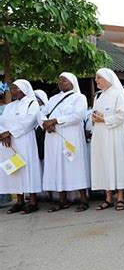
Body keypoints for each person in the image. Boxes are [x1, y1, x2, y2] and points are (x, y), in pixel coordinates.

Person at [39, 72, 90, 212]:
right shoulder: (53, 98)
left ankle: (83, 199)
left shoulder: (79, 97)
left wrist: (55, 121)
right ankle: (62, 200)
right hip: (53, 137)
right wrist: (45, 123)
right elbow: (42, 112)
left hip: (71, 136)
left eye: (64, 80)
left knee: (75, 164)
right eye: (60, 80)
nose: (61, 82)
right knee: (57, 166)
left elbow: (78, 115)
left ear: (72, 83)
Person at [91, 68, 124, 211]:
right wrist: (95, 118)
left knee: (117, 162)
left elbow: (123, 116)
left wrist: (104, 119)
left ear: (108, 79)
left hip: (115, 134)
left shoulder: (118, 94)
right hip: (100, 135)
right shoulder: (98, 96)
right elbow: (95, 114)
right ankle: (108, 198)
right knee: (103, 163)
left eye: (99, 77)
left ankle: (120, 197)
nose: (96, 80)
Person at [0, 80, 42, 214]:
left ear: (23, 89)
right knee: (15, 170)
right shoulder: (9, 106)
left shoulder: (32, 103)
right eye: (11, 89)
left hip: (25, 141)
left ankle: (33, 201)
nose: (12, 91)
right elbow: (2, 121)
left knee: (27, 169)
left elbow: (29, 121)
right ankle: (19, 201)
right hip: (9, 143)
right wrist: (3, 134)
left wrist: (10, 132)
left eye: (15, 88)